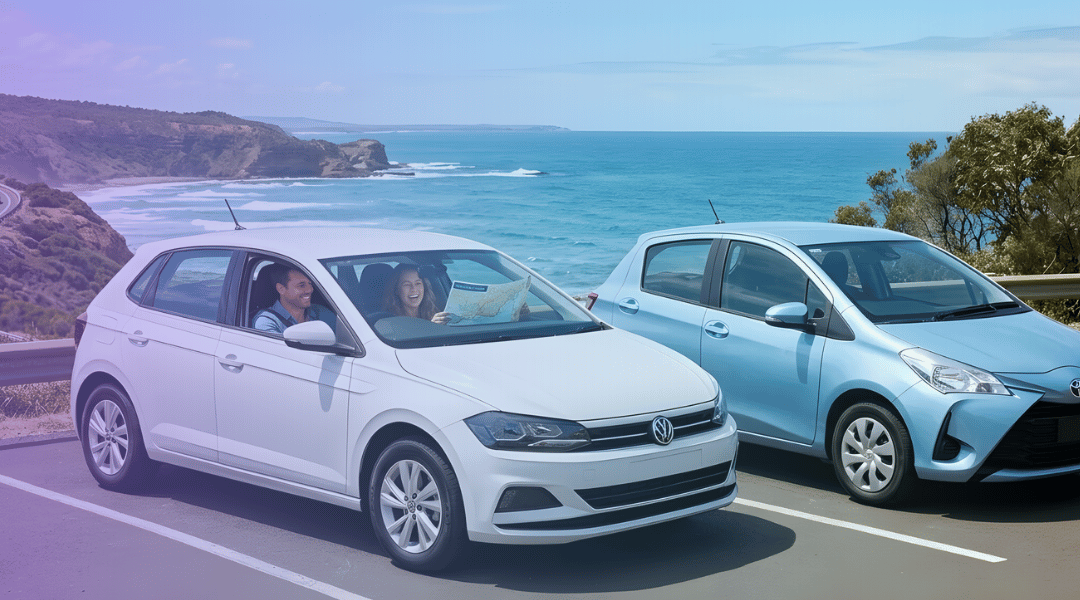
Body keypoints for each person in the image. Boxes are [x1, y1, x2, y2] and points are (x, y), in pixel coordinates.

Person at [253, 264, 336, 334]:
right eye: (301, 285)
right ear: (281, 289)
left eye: (310, 284)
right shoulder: (267, 321)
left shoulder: (321, 312)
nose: (310, 290)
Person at [380, 264, 450, 324]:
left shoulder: (433, 313)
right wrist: (432, 327)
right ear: (396, 290)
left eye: (418, 283)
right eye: (407, 284)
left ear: (424, 287)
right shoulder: (390, 322)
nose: (414, 289)